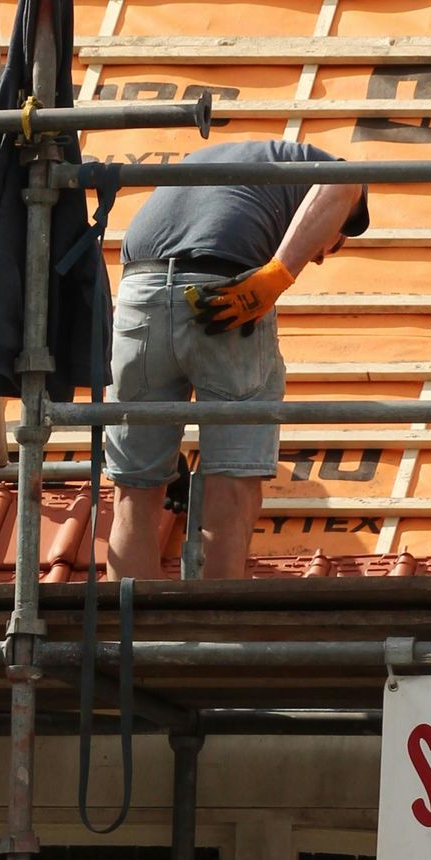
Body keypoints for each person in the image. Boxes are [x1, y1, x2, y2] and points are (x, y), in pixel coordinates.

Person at [103, 141, 369, 581]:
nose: (320, 256)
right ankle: (215, 637)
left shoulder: (208, 164)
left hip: (138, 293)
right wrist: (277, 273)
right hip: (224, 287)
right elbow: (345, 182)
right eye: (332, 245)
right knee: (233, 480)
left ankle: (129, 639)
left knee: (135, 488)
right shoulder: (316, 172)